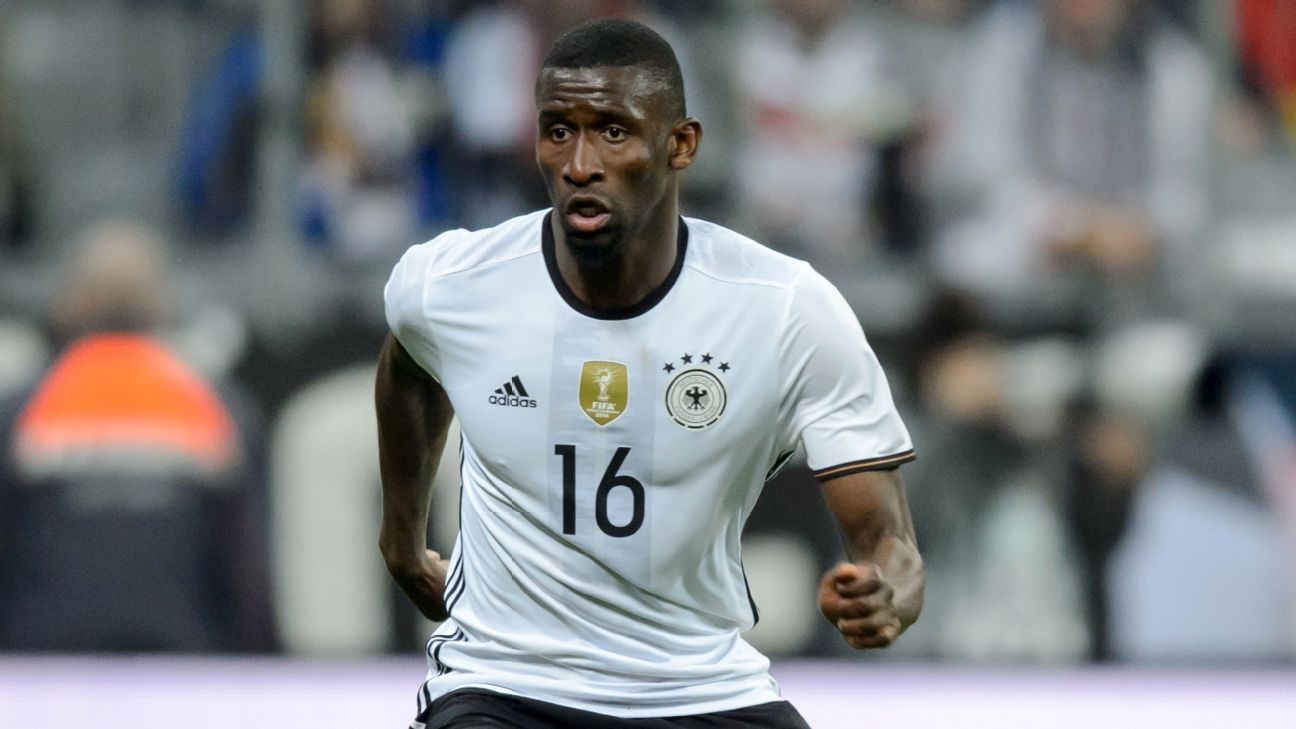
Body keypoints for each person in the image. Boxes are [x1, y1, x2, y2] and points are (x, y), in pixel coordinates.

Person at [375, 19, 921, 729]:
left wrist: (885, 593)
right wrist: (401, 540)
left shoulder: (786, 310)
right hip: (504, 683)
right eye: (558, 130)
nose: (579, 165)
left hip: (701, 688)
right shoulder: (451, 284)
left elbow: (888, 543)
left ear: (681, 144)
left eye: (612, 131)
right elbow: (411, 365)